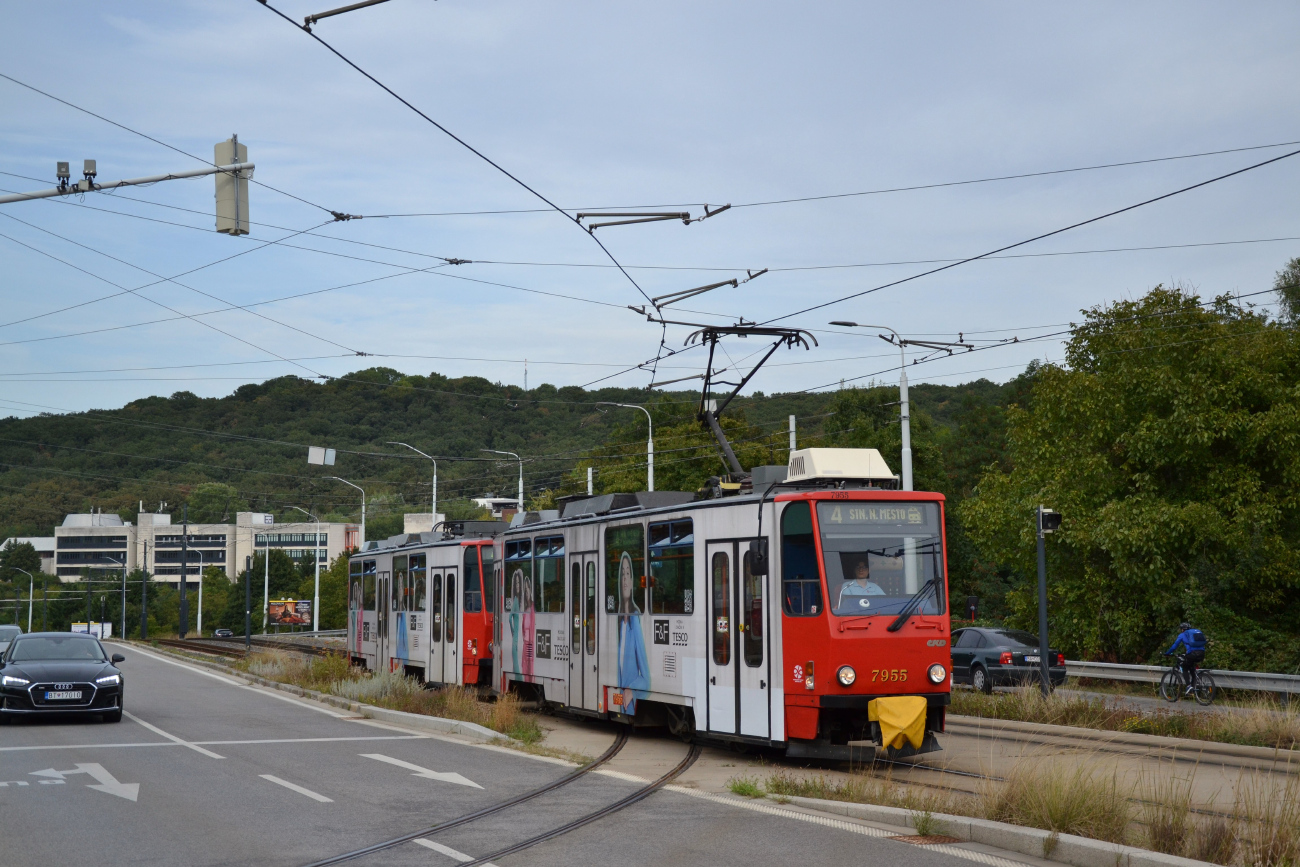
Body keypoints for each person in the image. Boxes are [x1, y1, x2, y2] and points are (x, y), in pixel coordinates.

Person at [616, 551, 649, 715]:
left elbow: (646, 677)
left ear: (632, 580)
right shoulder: (619, 621)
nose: (625, 579)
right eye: (622, 574)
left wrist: (631, 689)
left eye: (628, 574)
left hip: (628, 703)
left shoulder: (635, 619)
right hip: (620, 703)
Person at [1163, 622, 1207, 687]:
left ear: (1182, 629)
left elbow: (1174, 646)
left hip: (1192, 654)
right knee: (1192, 668)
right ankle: (1193, 687)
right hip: (1202, 653)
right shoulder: (1194, 634)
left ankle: (1188, 685)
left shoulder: (1182, 635)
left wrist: (1167, 653)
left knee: (1184, 667)